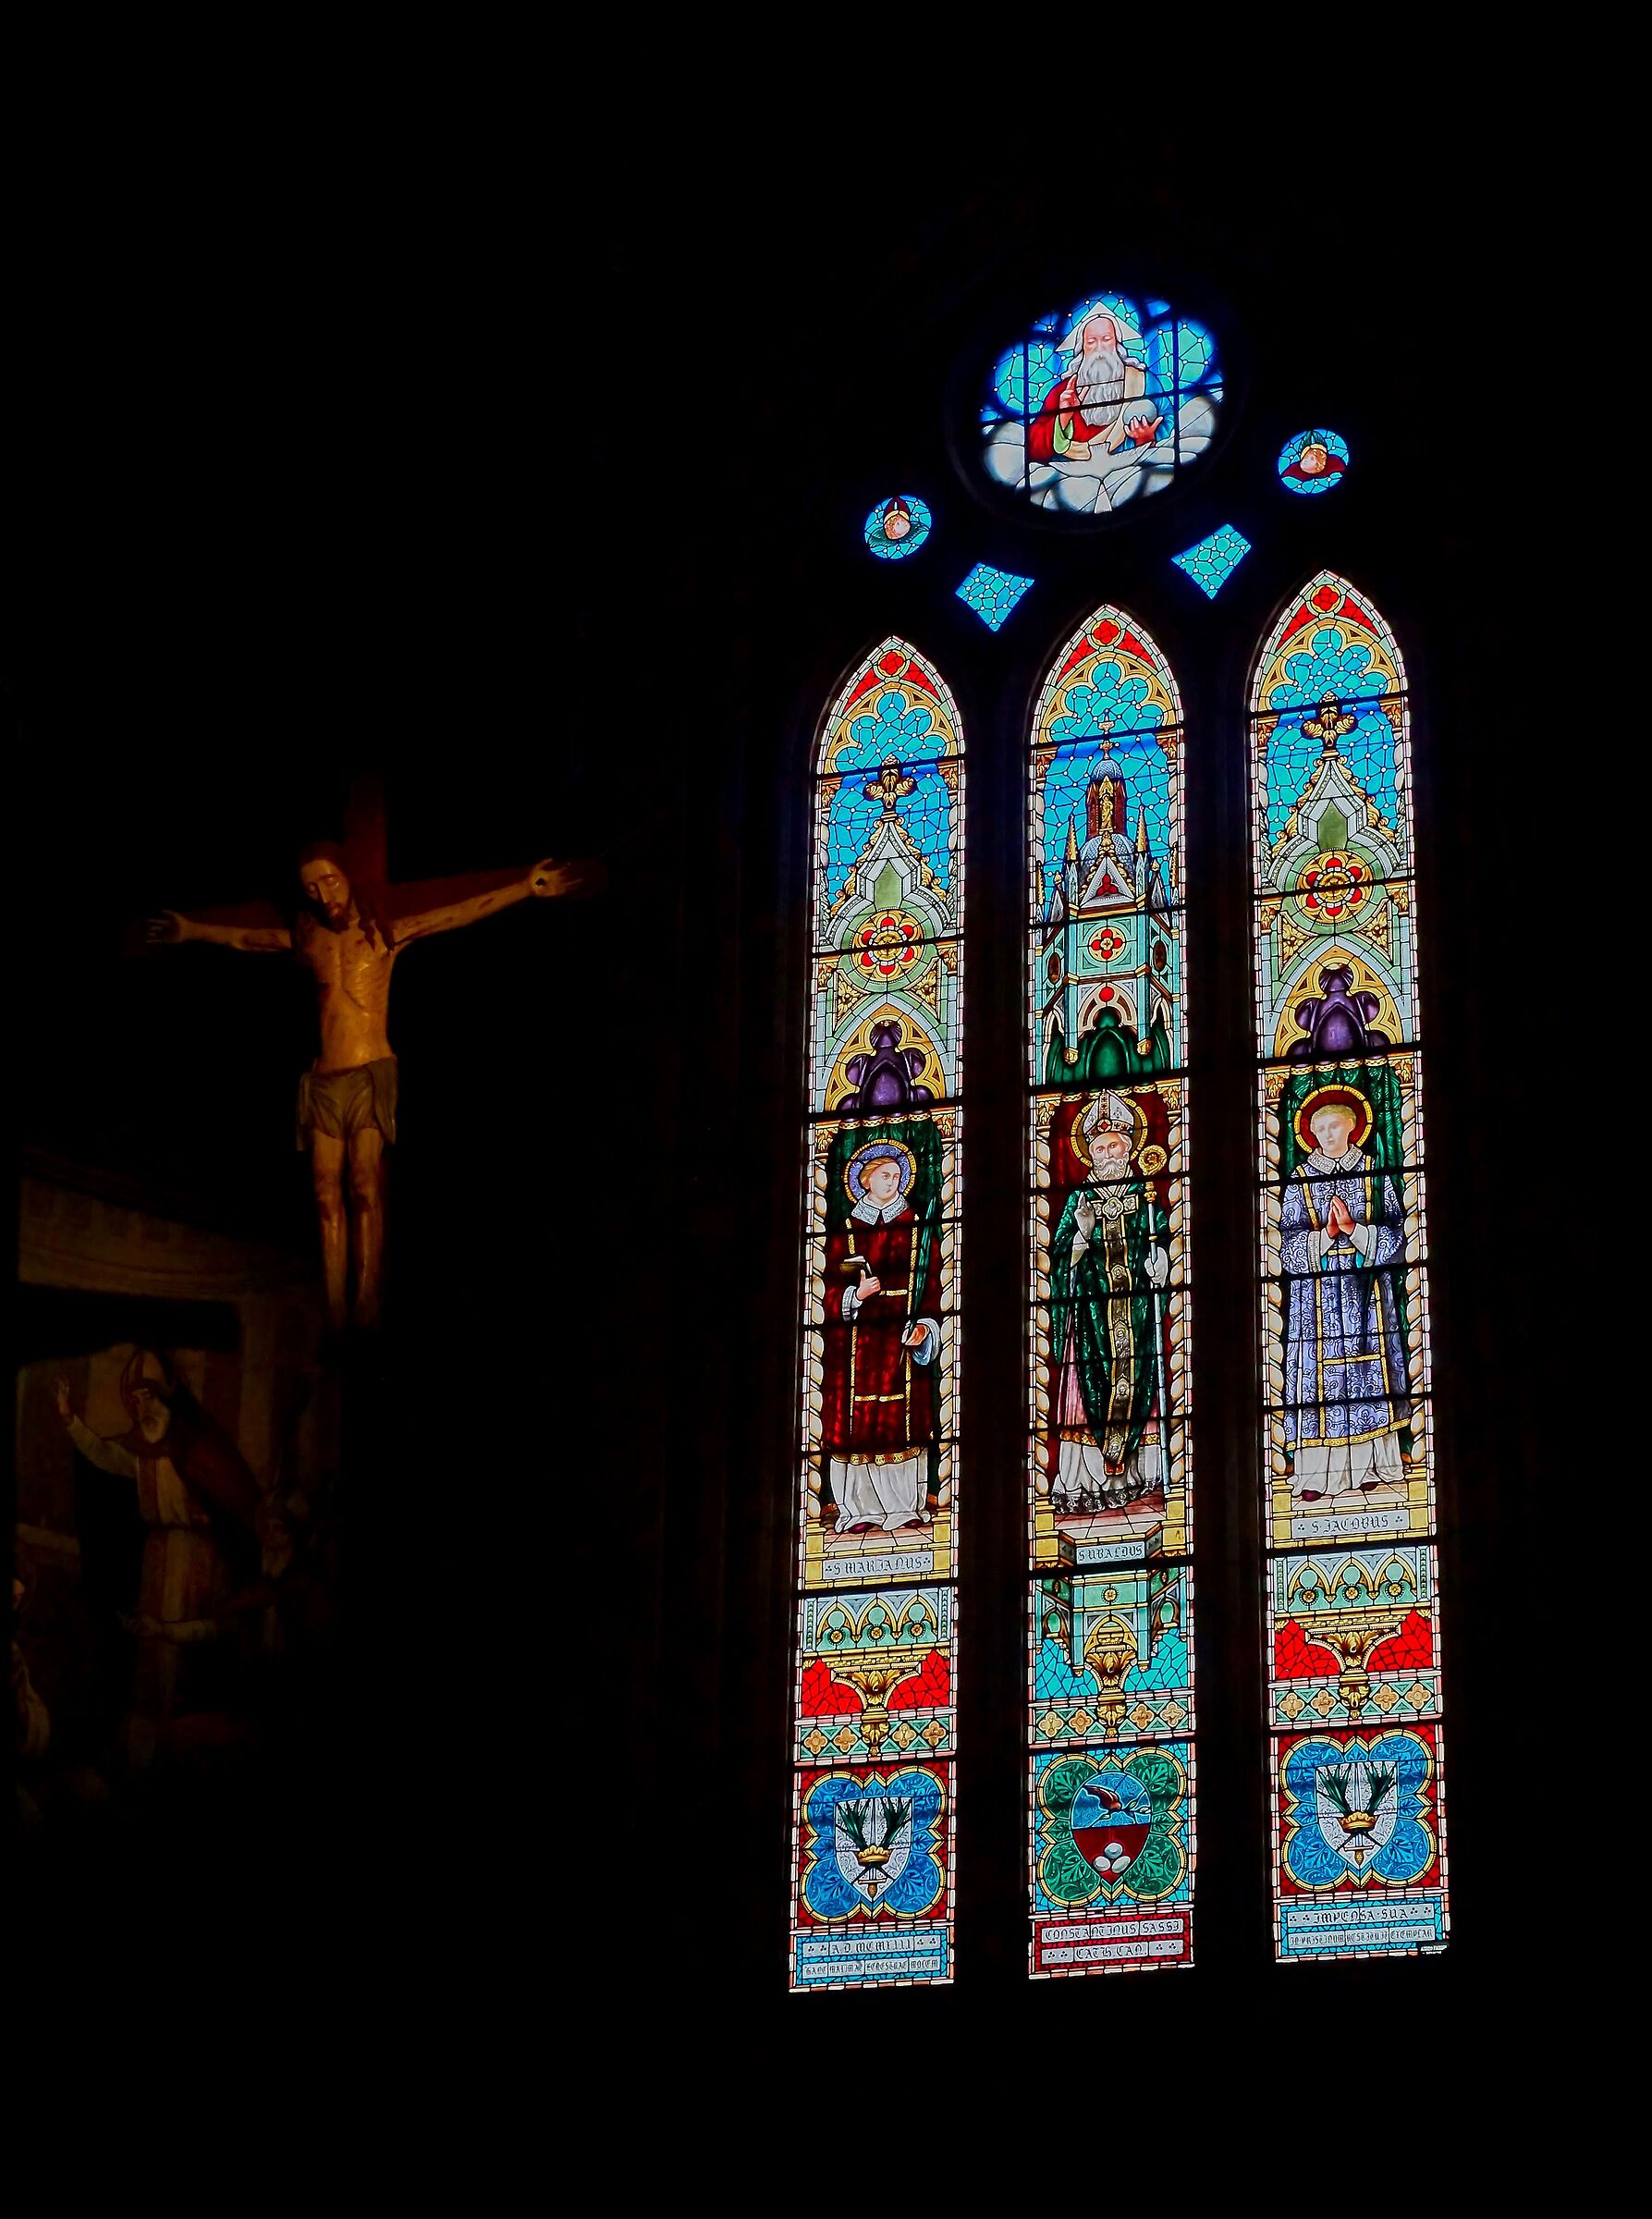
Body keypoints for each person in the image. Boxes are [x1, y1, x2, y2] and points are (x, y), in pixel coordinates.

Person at [148, 840, 579, 1329]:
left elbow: (458, 914)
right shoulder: (311, 941)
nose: (322, 892)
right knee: (324, 1194)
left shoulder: (383, 934)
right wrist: (191, 929)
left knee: (364, 1185)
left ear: (348, 877)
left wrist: (524, 887)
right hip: (323, 1079)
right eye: (311, 886)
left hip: (371, 1070)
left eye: (329, 879)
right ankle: (334, 1307)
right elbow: (248, 940)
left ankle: (368, 1299)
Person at [55, 1349, 262, 1768]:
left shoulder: (199, 1448)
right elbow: (103, 1455)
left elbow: (240, 1504)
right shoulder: (140, 1452)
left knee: (189, 1660)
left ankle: (186, 1758)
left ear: (168, 1398)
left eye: (149, 1396)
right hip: (158, 1558)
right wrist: (70, 1420)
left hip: (202, 1561)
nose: (142, 1407)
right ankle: (145, 1757)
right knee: (153, 1656)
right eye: (135, 1400)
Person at [1279, 1090, 1409, 1502]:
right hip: (1314, 1297)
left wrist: (1356, 1232)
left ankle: (1374, 1465)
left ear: (1353, 1126)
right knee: (1319, 1383)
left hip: (1365, 1292)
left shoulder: (1373, 1173)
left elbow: (1400, 1236)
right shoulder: (1300, 1180)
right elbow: (1284, 1247)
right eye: (1319, 1128)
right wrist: (1325, 1238)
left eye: (1334, 1125)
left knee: (1370, 1378)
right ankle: (1318, 1475)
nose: (1326, 1133)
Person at [1048, 1092, 1170, 1511]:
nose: (1107, 1153)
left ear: (1128, 1147)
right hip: (1090, 1310)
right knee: (1085, 1390)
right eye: (1099, 1148)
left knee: (1142, 1381)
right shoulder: (1080, 1199)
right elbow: (1059, 1256)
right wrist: (1081, 1234)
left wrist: (1161, 1266)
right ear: (1090, 1155)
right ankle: (1084, 1481)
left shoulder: (1143, 1193)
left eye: (1114, 1145)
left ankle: (1142, 1474)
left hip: (1135, 1309)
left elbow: (1162, 1238)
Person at [820, 1140, 941, 1535]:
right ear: (865, 1179)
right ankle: (857, 1509)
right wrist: (857, 1295)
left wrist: (925, 1326)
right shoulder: (847, 1230)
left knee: (902, 1423)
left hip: (901, 1341)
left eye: (897, 1176)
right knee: (855, 1424)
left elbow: (935, 1284)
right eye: (885, 1175)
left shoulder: (918, 1227)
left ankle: (903, 1505)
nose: (894, 1182)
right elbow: (824, 1289)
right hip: (854, 1345)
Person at [1028, 312, 1164, 465]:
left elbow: (1171, 422)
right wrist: (1063, 418)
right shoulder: (1063, 393)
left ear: (1117, 344)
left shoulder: (1143, 381)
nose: (1099, 348)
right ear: (1082, 348)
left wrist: (1146, 439)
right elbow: (1033, 449)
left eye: (1106, 339)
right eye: (1091, 341)